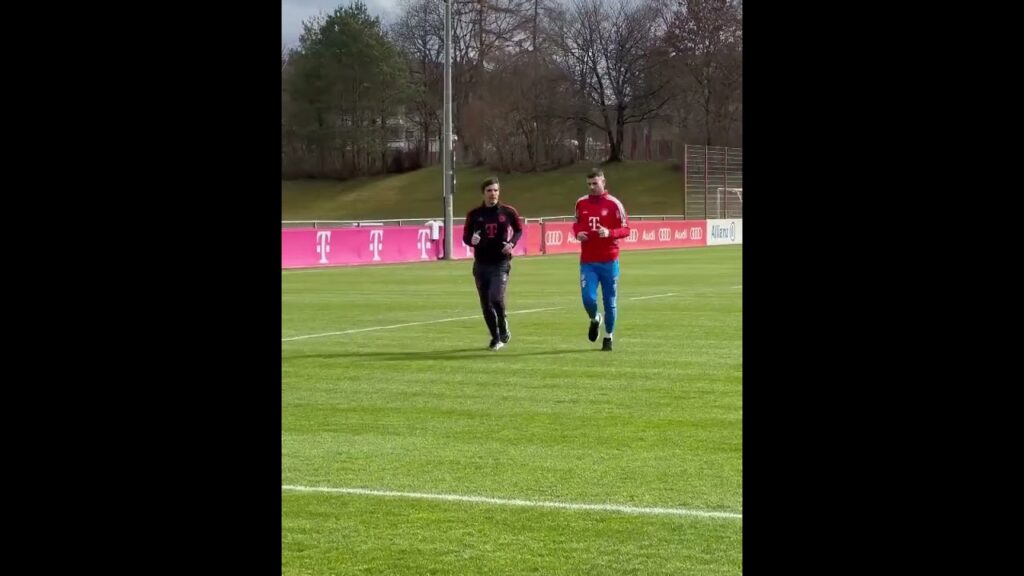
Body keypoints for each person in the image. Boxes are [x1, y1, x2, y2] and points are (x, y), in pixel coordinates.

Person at [571, 169, 630, 351]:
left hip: (609, 261)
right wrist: (577, 233)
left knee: (610, 301)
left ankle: (608, 336)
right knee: (588, 298)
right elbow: (577, 224)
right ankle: (595, 318)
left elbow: (626, 229)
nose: (591, 187)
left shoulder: (614, 204)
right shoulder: (581, 203)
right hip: (588, 261)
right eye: (588, 184)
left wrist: (610, 233)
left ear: (603, 181)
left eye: (595, 183)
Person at [463, 177, 523, 350]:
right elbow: (466, 237)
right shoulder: (474, 214)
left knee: (496, 298)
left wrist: (511, 243)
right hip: (481, 264)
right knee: (485, 304)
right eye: (489, 190)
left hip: (500, 263)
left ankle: (503, 327)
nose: (493, 194)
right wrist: (471, 240)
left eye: (496, 190)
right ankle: (495, 337)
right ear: (484, 193)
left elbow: (518, 229)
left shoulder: (508, 211)